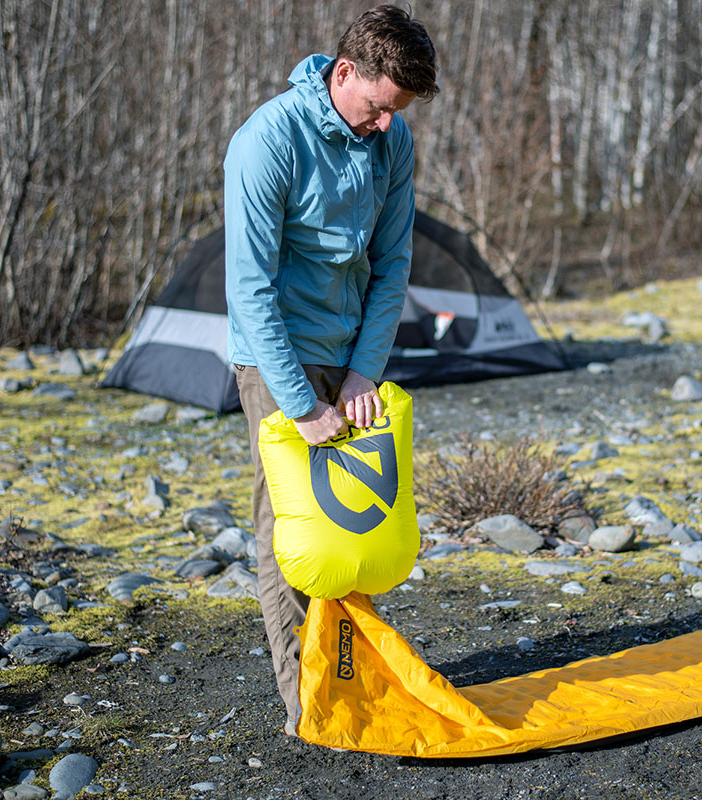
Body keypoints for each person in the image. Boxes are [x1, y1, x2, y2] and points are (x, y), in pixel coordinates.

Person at [222, 5, 438, 733]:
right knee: (291, 536)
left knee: (355, 533)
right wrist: (303, 405)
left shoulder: (394, 139)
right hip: (277, 359)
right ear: (345, 72)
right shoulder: (266, 143)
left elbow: (393, 263)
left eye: (396, 114)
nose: (386, 126)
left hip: (351, 362)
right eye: (379, 108)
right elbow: (249, 291)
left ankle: (354, 678)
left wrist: (362, 374)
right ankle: (309, 703)